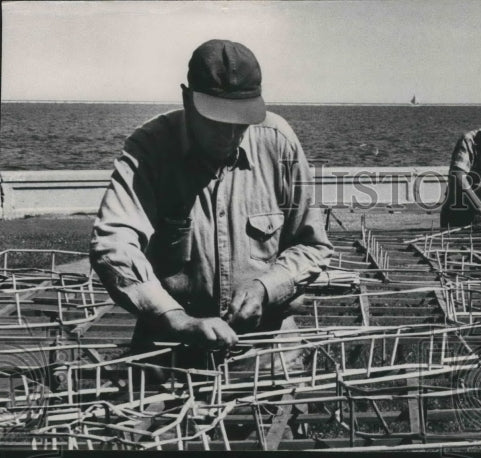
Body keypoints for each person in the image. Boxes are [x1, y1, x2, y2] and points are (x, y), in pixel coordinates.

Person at [90, 39, 335, 359]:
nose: (232, 137)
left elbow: (312, 245)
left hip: (267, 352)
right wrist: (175, 319)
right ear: (187, 100)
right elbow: (113, 244)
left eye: (242, 124)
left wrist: (265, 288)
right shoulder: (150, 147)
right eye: (219, 123)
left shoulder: (279, 141)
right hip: (171, 350)